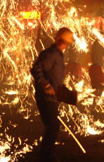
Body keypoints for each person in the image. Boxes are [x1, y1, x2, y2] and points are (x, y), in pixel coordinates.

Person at [31, 27, 77, 161]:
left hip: (52, 98)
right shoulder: (51, 54)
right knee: (53, 126)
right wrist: (45, 85)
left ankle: (46, 155)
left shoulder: (59, 55)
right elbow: (36, 69)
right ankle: (46, 156)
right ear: (57, 40)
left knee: (52, 126)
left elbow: (54, 77)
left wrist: (64, 90)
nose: (66, 46)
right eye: (65, 43)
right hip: (46, 98)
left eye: (68, 44)